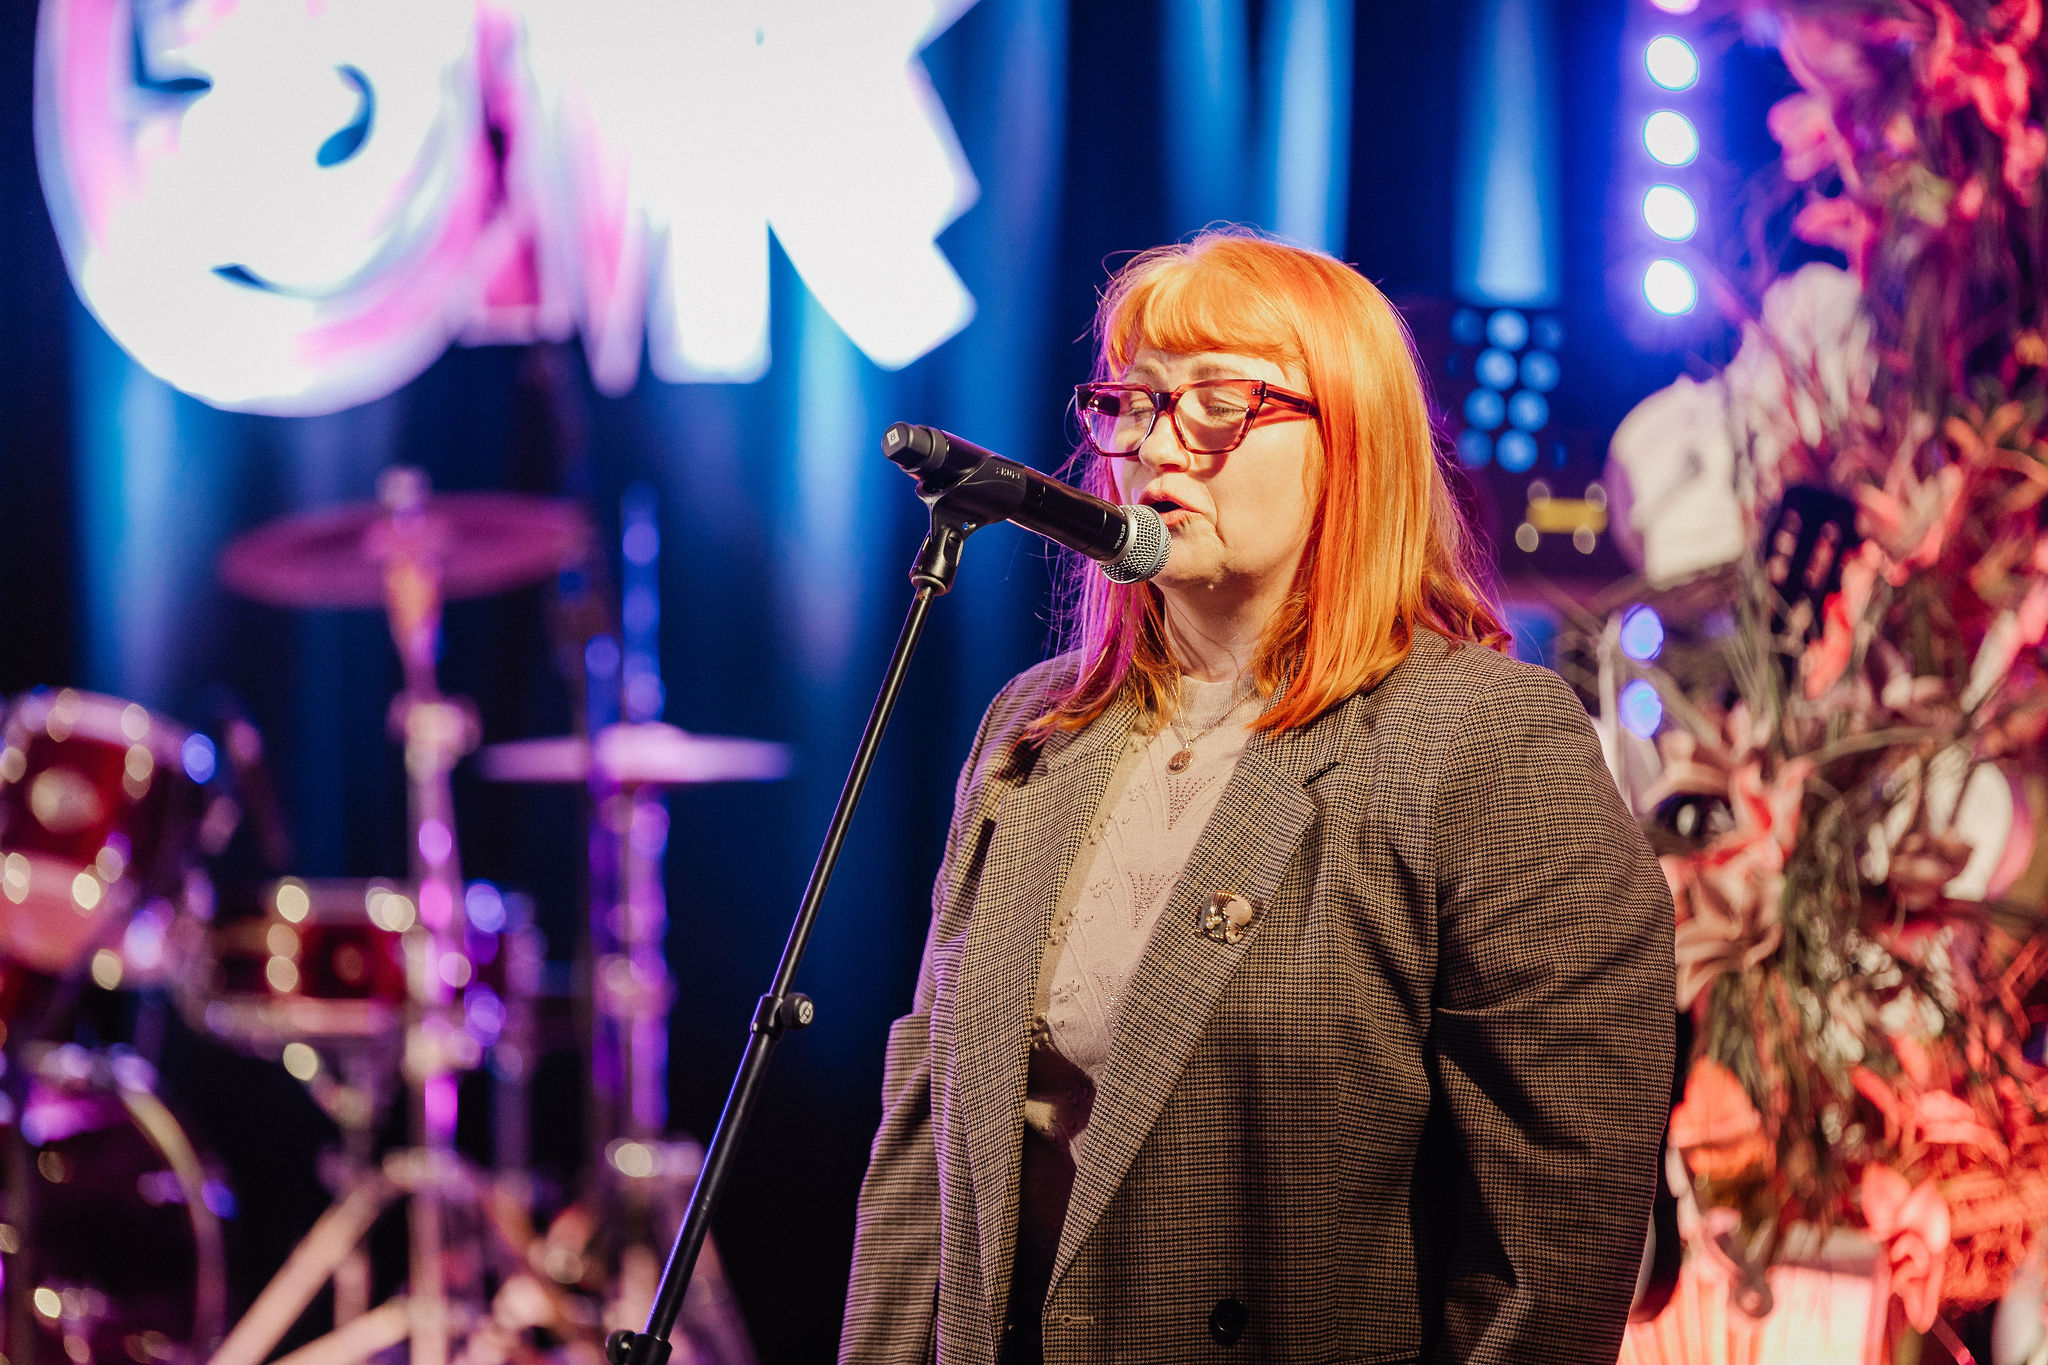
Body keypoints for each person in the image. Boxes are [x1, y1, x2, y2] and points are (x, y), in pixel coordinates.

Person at [840, 230, 1675, 1365]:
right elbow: (926, 1142)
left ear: (1353, 446)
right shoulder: (1034, 727)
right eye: (1134, 404)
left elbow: (1555, 1246)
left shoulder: (1485, 737)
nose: (1158, 445)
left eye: (1220, 405)